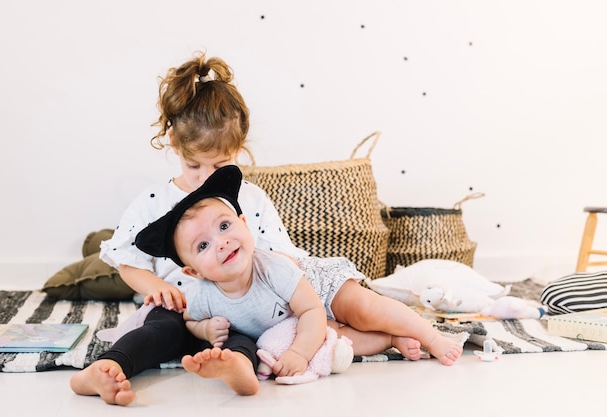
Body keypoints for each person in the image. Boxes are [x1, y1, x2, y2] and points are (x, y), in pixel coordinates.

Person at [69, 51, 459, 406]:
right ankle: (106, 370)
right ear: (174, 143)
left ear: (238, 149)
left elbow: (279, 254)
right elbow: (127, 261)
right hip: (191, 308)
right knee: (165, 333)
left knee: (297, 323)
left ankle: (241, 366)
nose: (207, 179)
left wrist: (285, 299)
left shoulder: (248, 198)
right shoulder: (154, 202)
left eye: (219, 167)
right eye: (194, 167)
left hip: (257, 299)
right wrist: (156, 287)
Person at [136, 165, 463, 385]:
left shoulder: (272, 267)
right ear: (193, 271)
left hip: (319, 289)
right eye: (204, 244)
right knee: (338, 339)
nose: (222, 243)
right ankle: (391, 338)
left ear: (245, 225)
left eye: (225, 226)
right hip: (297, 321)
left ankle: (431, 336)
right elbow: (192, 319)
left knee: (363, 310)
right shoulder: (203, 294)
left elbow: (310, 309)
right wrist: (206, 328)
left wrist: (298, 354)